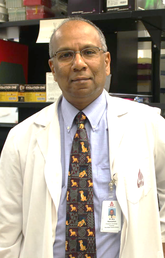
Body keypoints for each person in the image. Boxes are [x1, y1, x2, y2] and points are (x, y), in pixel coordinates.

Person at [0, 16, 165, 258]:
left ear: (106, 62)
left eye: (89, 52)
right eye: (65, 55)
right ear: (53, 68)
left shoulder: (148, 123)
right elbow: (7, 226)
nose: (79, 63)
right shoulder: (21, 138)